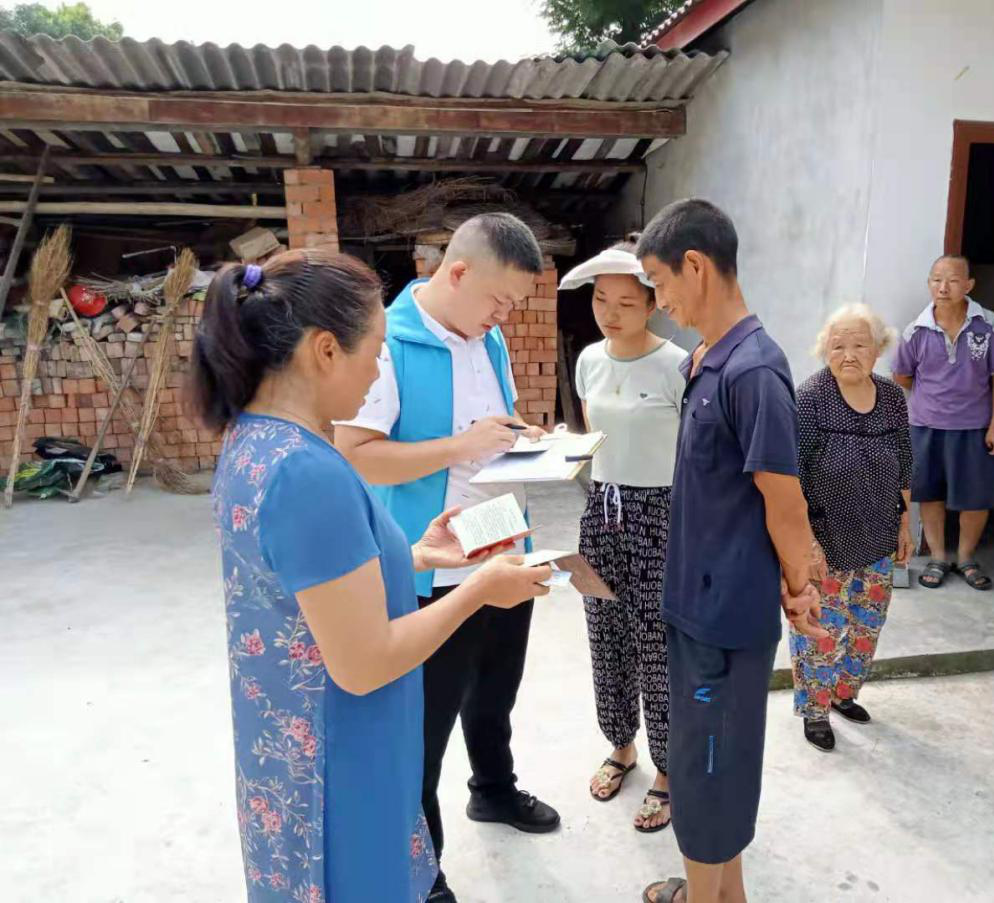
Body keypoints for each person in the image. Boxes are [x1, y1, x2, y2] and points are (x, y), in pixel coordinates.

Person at [194, 249, 552, 903]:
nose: (379, 367)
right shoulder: (308, 471)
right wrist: (478, 589)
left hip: (287, 745)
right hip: (337, 756)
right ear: (325, 350)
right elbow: (363, 663)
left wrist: (414, 556)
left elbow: (306, 582)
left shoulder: (253, 441)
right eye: (375, 349)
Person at [333, 214, 560, 903]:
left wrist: (528, 439)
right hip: (432, 563)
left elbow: (493, 427)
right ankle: (421, 870)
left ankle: (493, 789)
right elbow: (356, 455)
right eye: (498, 300)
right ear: (456, 273)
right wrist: (461, 447)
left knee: (494, 695)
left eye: (513, 305)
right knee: (422, 733)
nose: (503, 316)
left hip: (501, 541)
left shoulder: (486, 336)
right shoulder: (387, 343)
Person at [635, 200, 826, 903]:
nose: (659, 302)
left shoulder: (754, 371)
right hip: (698, 601)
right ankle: (725, 894)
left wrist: (799, 588)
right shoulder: (710, 361)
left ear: (695, 266)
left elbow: (784, 502)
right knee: (714, 763)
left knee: (707, 770)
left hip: (722, 617)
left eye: (660, 283)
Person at [560, 237, 687, 833]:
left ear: (654, 304)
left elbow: (692, 453)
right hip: (602, 512)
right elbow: (595, 441)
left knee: (657, 644)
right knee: (605, 633)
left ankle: (668, 769)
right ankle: (620, 744)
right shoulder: (589, 360)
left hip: (661, 515)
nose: (610, 314)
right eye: (600, 300)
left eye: (626, 303)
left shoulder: (678, 365)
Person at [792, 303, 914, 753]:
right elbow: (792, 475)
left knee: (866, 625)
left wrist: (904, 523)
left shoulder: (892, 397)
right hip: (825, 537)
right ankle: (815, 709)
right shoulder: (811, 397)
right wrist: (806, 542)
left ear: (878, 349)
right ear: (824, 349)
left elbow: (904, 462)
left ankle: (843, 694)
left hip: (879, 533)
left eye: (859, 345)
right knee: (821, 628)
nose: (848, 354)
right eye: (837, 345)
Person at [892, 255, 994, 591]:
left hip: (974, 426)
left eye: (953, 280)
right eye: (936, 280)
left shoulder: (989, 325)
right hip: (925, 426)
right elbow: (902, 375)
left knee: (975, 497)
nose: (943, 288)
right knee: (930, 494)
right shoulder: (916, 330)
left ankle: (966, 558)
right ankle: (938, 557)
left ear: (969, 285)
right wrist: (933, 397)